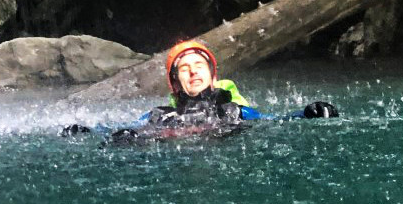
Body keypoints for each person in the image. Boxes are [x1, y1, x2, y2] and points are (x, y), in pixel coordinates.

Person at [63, 40, 337, 139]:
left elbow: (273, 121)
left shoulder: (233, 111)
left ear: (212, 75)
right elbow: (124, 128)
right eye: (185, 68)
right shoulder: (159, 116)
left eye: (199, 65)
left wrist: (306, 113)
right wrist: (87, 131)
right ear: (175, 82)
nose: (193, 71)